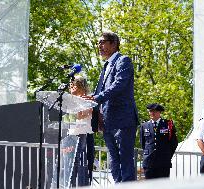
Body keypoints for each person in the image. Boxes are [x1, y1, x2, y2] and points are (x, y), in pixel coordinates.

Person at [83, 31, 138, 182]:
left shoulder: (123, 60)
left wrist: (96, 98)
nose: (99, 46)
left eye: (102, 42)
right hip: (107, 122)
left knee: (125, 161)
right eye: (98, 43)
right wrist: (93, 107)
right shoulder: (106, 65)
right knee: (114, 161)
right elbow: (100, 91)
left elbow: (118, 85)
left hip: (123, 121)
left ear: (113, 43)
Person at [68, 75, 94, 186]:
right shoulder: (70, 100)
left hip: (84, 135)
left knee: (83, 166)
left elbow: (82, 115)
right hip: (71, 135)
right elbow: (69, 117)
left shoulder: (89, 97)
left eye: (72, 84)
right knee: (71, 166)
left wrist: (77, 103)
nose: (70, 87)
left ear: (79, 85)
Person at [140, 103, 178, 179]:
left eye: (154, 111)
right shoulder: (144, 125)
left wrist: (167, 155)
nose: (152, 113)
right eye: (150, 111)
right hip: (149, 162)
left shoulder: (168, 124)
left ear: (159, 112)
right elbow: (143, 143)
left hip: (163, 162)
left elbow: (173, 143)